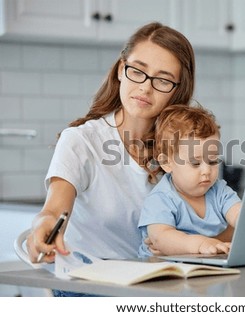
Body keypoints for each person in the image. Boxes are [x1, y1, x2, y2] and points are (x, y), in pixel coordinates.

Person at [26, 22, 197, 269]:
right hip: (88, 283)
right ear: (120, 70)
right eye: (137, 71)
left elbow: (204, 223)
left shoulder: (180, 151)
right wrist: (42, 225)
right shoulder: (81, 140)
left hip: (156, 282)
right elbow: (53, 210)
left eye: (163, 80)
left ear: (177, 91)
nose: (145, 87)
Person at [138, 104, 242, 258]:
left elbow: (240, 215)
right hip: (161, 274)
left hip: (203, 268)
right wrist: (200, 244)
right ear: (167, 163)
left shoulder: (219, 191)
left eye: (213, 161)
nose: (207, 171)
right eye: (195, 163)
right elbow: (161, 237)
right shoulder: (161, 199)